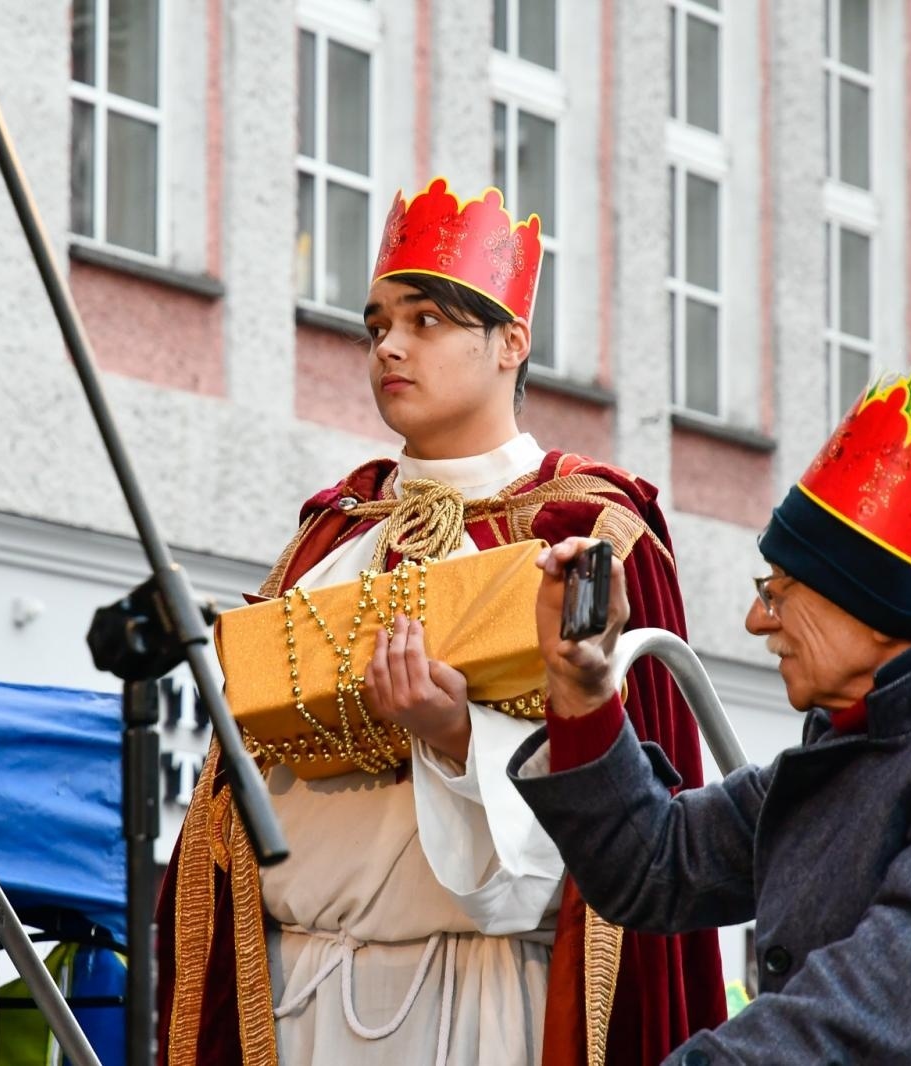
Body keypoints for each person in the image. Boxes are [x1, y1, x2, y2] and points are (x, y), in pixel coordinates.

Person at [155, 177, 726, 1065]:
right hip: (295, 987)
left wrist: (457, 734)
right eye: (377, 326)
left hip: (485, 995)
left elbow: (634, 825)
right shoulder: (332, 532)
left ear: (510, 342)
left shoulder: (593, 531)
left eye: (425, 321)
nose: (389, 346)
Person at [510, 371, 911, 1063]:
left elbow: (884, 1012)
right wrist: (583, 688)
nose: (757, 620)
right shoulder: (884, 712)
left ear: (876, 606)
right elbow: (658, 865)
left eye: (779, 592)